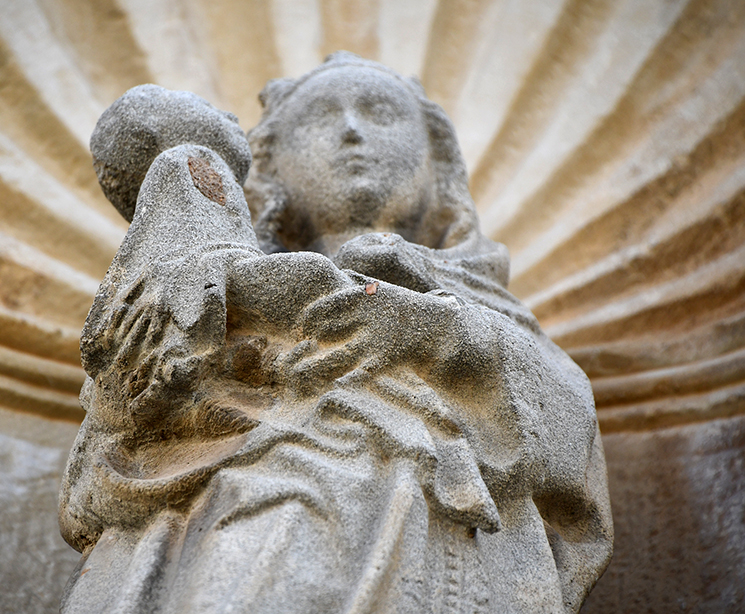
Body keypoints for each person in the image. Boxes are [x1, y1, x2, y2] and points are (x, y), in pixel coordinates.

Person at [59, 52, 613, 614]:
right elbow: (98, 467)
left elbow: (567, 442)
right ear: (271, 169)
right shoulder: (212, 277)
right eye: (322, 117)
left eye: (380, 113)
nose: (352, 130)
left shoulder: (487, 307)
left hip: (444, 543)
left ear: (437, 164)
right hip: (241, 516)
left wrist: (428, 326)